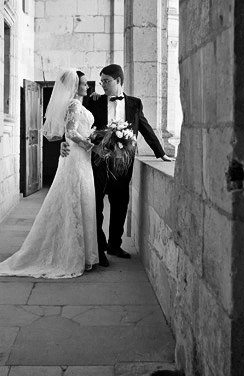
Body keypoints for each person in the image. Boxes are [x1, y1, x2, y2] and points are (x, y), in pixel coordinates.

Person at [0, 69, 99, 278]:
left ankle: (81, 253)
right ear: (75, 87)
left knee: (79, 200)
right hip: (77, 156)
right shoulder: (74, 104)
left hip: (80, 157)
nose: (87, 87)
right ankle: (70, 255)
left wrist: (92, 136)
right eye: (83, 84)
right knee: (74, 200)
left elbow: (77, 130)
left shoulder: (79, 104)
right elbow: (71, 133)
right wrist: (90, 144)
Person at [60, 64, 174, 267]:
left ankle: (115, 244)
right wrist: (64, 143)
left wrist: (161, 152)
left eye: (106, 81)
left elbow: (146, 128)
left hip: (123, 163)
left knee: (120, 203)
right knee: (95, 203)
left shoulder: (134, 104)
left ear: (119, 81)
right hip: (97, 160)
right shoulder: (93, 101)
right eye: (101, 81)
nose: (102, 84)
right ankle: (99, 246)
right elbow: (73, 124)